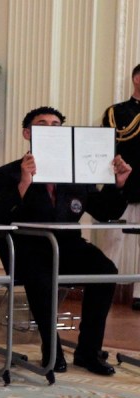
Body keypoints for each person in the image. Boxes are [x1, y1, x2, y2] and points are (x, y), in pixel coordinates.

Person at [0, 106, 132, 376]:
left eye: (56, 125)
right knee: (41, 274)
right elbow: (0, 217)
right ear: (27, 133)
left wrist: (117, 184)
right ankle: (50, 347)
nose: (50, 129)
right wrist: (24, 181)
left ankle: (88, 351)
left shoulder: (75, 172)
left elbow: (105, 212)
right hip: (25, 245)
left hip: (67, 244)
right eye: (42, 124)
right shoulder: (7, 173)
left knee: (105, 271)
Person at [100, 63, 140, 310]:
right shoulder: (118, 112)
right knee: (112, 240)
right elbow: (110, 143)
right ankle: (103, 287)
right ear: (137, 79)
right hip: (121, 184)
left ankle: (139, 294)